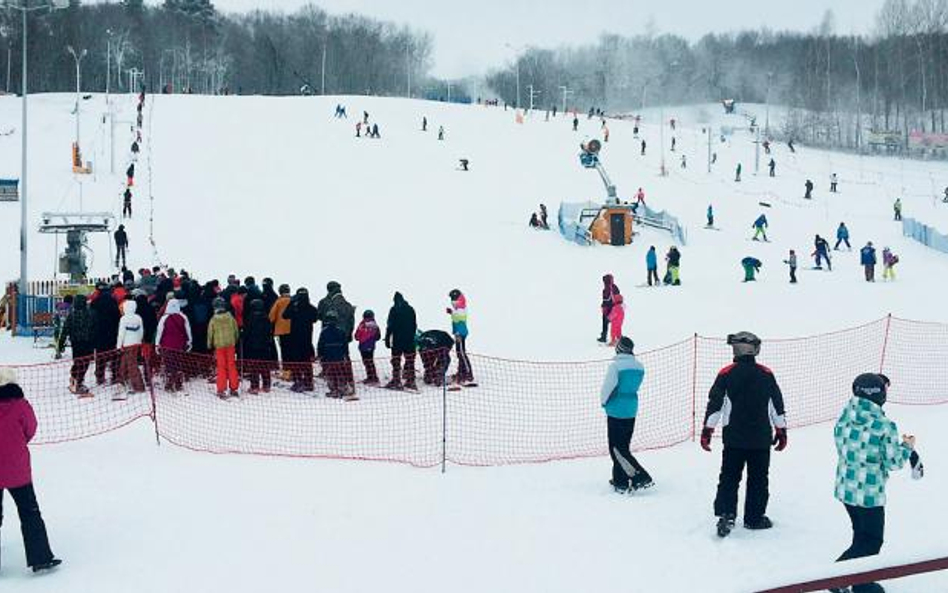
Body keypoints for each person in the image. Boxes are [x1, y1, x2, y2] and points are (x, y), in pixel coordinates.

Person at [832, 374, 923, 593]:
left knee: (860, 535)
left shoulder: (846, 413)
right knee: (872, 541)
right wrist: (907, 446)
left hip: (846, 487)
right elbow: (894, 461)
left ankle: (857, 581)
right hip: (869, 492)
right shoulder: (883, 425)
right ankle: (837, 579)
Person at [701, 332, 787, 537]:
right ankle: (754, 518)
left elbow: (715, 405)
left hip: (734, 438)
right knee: (758, 479)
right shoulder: (766, 374)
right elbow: (776, 405)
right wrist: (781, 430)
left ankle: (726, 514)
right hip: (760, 439)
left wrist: (707, 430)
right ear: (753, 350)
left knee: (729, 477)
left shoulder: (726, 373)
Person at [0, 369, 62, 573]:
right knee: (29, 512)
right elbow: (31, 428)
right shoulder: (20, 406)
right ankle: (40, 557)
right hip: (17, 468)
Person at [601, 337, 653, 493]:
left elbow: (608, 388)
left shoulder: (615, 367)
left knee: (616, 449)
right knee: (623, 446)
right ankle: (620, 479)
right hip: (631, 409)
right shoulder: (639, 367)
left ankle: (641, 476)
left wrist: (604, 402)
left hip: (616, 409)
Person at [56, 294, 95, 395]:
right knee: (85, 363)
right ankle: (78, 381)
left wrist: (60, 345)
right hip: (88, 342)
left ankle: (75, 379)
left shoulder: (72, 315)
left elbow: (65, 330)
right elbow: (95, 329)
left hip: (76, 343)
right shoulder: (90, 314)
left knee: (78, 362)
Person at [282, 288, 318, 393]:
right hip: (307, 339)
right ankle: (309, 383)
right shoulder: (311, 308)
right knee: (307, 362)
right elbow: (315, 318)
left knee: (296, 362)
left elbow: (284, 315)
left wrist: (291, 302)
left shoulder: (294, 307)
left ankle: (298, 381)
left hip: (294, 339)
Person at [156, 299, 192, 392]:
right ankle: (178, 383)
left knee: (169, 364)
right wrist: (189, 342)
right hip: (180, 345)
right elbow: (188, 331)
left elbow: (159, 332)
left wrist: (157, 344)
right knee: (178, 363)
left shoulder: (164, 318)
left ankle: (169, 383)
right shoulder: (183, 317)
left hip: (167, 345)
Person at [207, 297, 240, 398]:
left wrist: (209, 345)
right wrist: (235, 340)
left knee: (221, 367)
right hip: (230, 345)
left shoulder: (213, 319)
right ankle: (234, 388)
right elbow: (236, 331)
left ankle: (221, 389)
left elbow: (210, 333)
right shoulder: (230, 318)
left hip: (219, 346)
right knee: (231, 366)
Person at [242, 299, 276, 394]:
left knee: (254, 367)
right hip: (265, 347)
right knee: (265, 366)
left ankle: (254, 386)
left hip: (253, 347)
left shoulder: (250, 318)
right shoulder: (266, 318)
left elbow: (247, 333)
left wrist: (243, 337)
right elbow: (270, 332)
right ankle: (266, 385)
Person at [385, 292, 417, 390]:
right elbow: (414, 325)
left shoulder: (394, 310)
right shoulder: (410, 309)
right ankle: (410, 381)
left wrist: (387, 338)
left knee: (396, 360)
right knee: (410, 360)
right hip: (409, 339)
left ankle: (396, 380)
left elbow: (390, 326)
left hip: (398, 340)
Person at [317, 310, 352, 399]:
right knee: (340, 373)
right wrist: (346, 355)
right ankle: (342, 388)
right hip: (339, 357)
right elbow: (345, 345)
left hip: (328, 358)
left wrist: (320, 355)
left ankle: (334, 390)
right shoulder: (341, 331)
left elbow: (320, 345)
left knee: (330, 374)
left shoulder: (324, 332)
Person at [91, 284, 121, 386]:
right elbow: (118, 317)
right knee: (113, 355)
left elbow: (92, 318)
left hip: (99, 333)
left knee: (100, 356)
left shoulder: (95, 302)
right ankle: (115, 375)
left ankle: (100, 376)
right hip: (112, 332)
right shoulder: (113, 302)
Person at [116, 300, 145, 398]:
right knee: (125, 362)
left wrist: (119, 346)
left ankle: (139, 386)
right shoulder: (138, 318)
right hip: (136, 344)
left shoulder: (124, 319)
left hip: (127, 344)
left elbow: (121, 334)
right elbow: (141, 331)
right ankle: (122, 381)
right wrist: (139, 341)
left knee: (132, 365)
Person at [447, 289, 474, 386]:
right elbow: (456, 316)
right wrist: (451, 312)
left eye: (453, 299)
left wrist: (452, 313)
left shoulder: (461, 307)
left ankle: (468, 374)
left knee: (462, 353)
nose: (452, 301)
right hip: (458, 333)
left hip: (461, 334)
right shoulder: (458, 307)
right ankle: (461, 372)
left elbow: (459, 317)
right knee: (459, 354)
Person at [354, 310, 382, 385]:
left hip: (363, 346)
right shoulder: (375, 325)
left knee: (366, 362)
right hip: (371, 346)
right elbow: (378, 337)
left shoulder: (362, 325)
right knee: (370, 361)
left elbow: (356, 336)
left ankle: (371, 377)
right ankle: (373, 377)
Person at [269, 284, 292, 372]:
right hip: (293, 329)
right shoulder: (293, 300)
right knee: (292, 350)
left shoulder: (279, 302)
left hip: (281, 330)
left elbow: (271, 317)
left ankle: (286, 371)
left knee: (284, 351)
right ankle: (294, 369)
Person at [598, 275, 620, 343]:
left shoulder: (606, 289)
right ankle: (618, 337)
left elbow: (606, 300)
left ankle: (604, 337)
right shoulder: (615, 286)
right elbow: (618, 294)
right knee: (615, 323)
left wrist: (603, 306)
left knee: (605, 322)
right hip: (616, 307)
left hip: (608, 309)